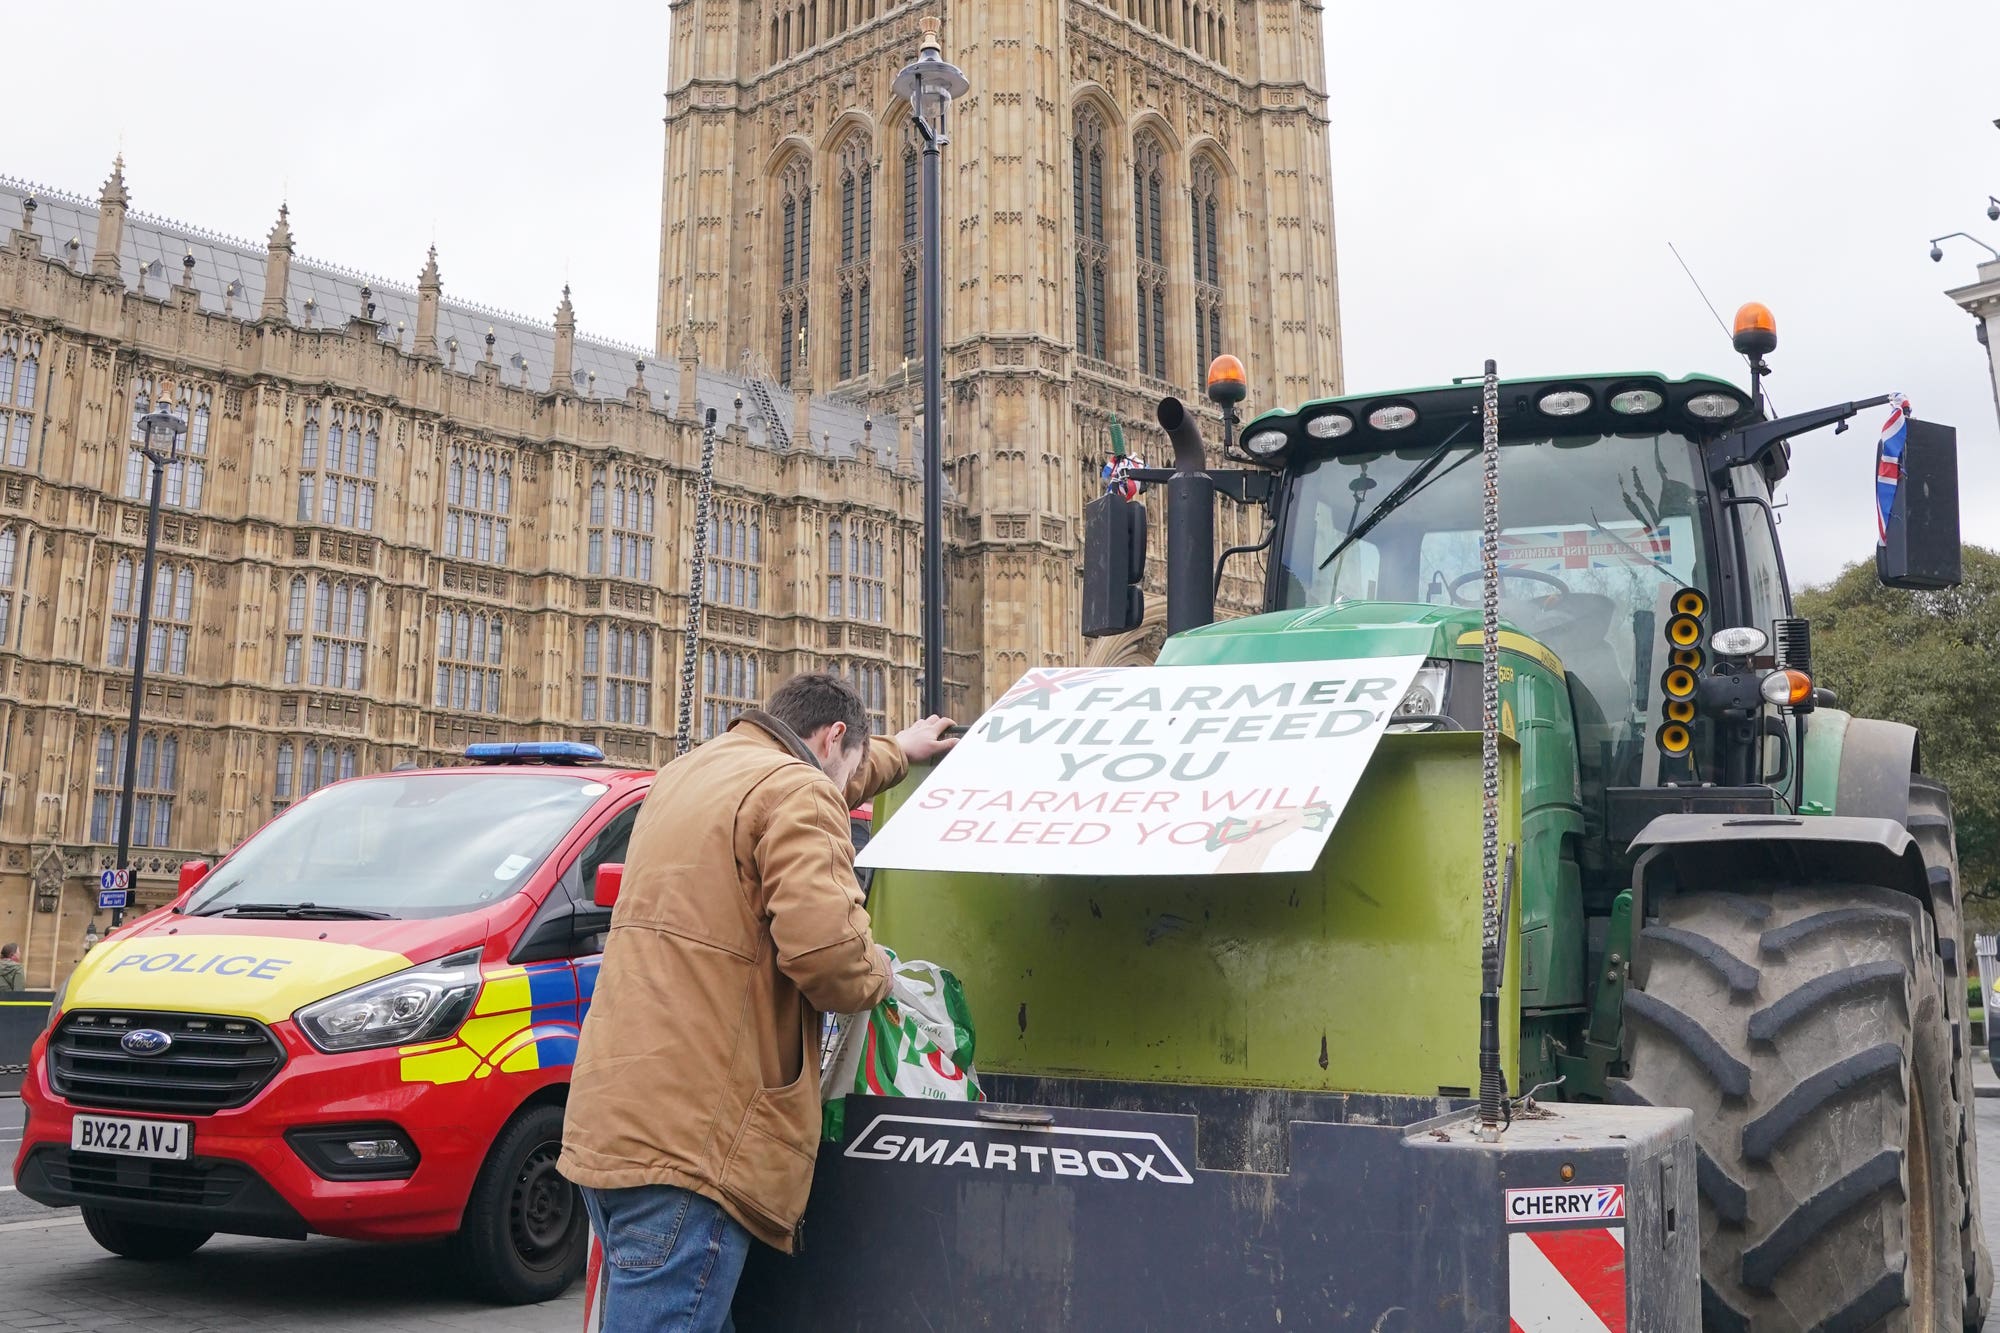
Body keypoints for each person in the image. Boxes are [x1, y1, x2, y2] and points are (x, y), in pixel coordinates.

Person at [559, 672, 957, 1332]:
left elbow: (823, 785)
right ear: (832, 737)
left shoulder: (689, 774)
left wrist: (897, 750)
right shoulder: (797, 790)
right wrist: (879, 971)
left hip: (618, 1120)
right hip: (698, 1148)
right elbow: (829, 956)